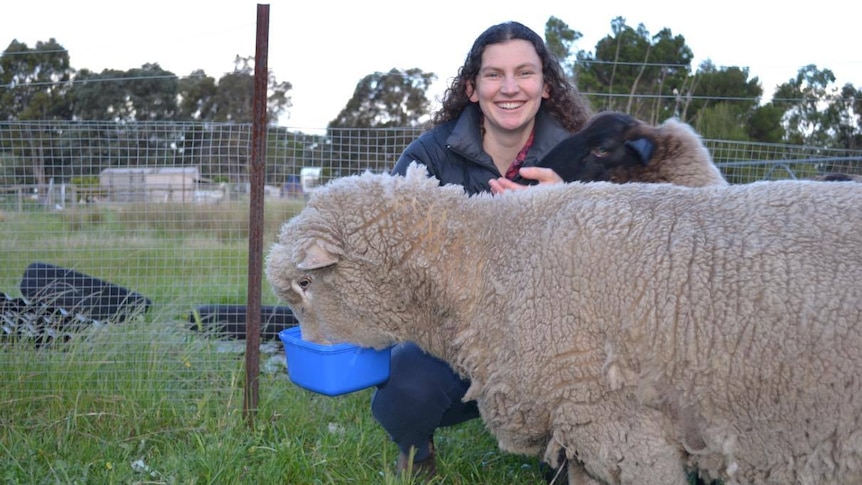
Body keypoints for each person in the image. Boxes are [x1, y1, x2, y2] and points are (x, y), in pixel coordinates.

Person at [372, 20, 593, 482]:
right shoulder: (429, 157)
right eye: (494, 75)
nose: (509, 88)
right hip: (458, 336)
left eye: (525, 73)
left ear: (546, 86)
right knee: (403, 384)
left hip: (557, 339)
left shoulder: (583, 155)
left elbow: (613, 263)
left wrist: (562, 205)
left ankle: (567, 461)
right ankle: (418, 448)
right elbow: (392, 258)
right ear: (472, 89)